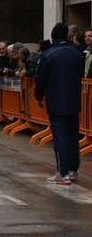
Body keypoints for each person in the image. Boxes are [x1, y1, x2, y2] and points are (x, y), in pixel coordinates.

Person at [34, 23, 84, 185]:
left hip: (56, 100)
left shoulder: (48, 55)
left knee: (60, 137)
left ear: (53, 37)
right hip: (74, 100)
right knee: (72, 135)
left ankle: (62, 173)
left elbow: (40, 79)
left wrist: (39, 95)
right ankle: (72, 170)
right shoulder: (77, 54)